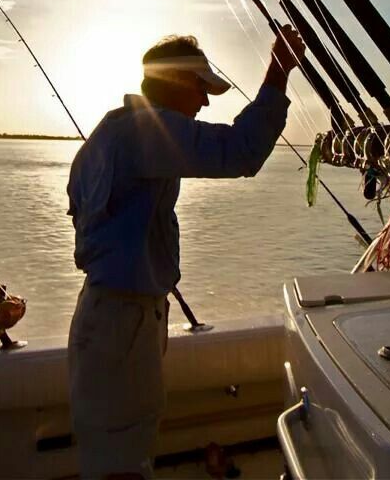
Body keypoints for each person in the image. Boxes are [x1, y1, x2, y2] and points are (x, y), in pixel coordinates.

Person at [67, 25, 305, 480]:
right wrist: (279, 68)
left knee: (122, 454)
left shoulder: (113, 133)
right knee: (122, 465)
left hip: (114, 319)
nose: (205, 102)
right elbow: (240, 152)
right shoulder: (144, 134)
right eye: (201, 88)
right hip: (122, 324)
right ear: (176, 82)